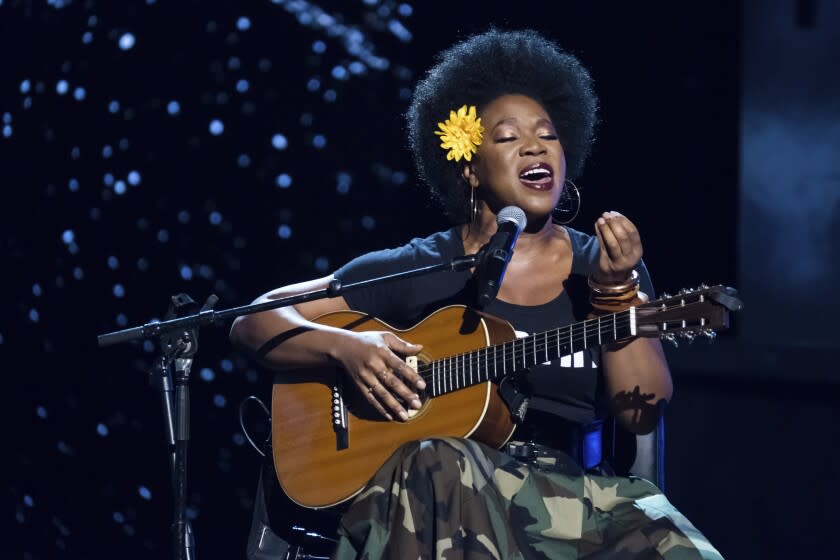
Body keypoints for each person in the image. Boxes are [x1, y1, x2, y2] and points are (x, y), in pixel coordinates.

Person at [231, 29, 723, 560]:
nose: (535, 147)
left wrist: (615, 290)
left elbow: (640, 415)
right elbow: (256, 319)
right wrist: (349, 349)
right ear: (469, 167)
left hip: (572, 500)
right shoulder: (424, 266)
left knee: (675, 544)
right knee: (442, 462)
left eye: (547, 135)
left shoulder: (603, 264)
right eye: (509, 138)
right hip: (438, 493)